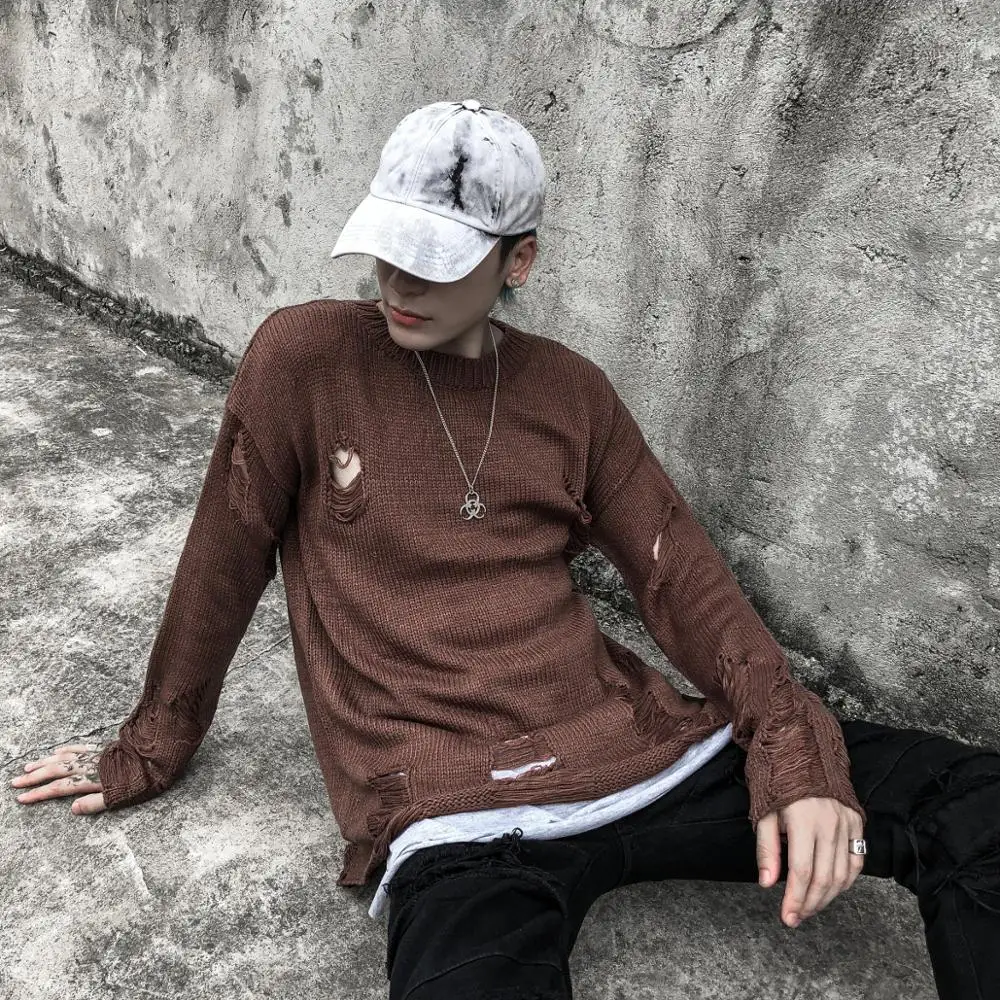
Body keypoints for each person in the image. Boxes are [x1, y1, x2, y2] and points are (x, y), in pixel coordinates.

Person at [11, 99, 1000, 1000]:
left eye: (435, 261)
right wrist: (153, 742)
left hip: (648, 755)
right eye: (387, 249)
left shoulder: (571, 393)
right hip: (457, 821)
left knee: (978, 803)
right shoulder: (302, 360)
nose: (398, 282)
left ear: (517, 261)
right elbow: (222, 561)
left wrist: (796, 754)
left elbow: (681, 579)